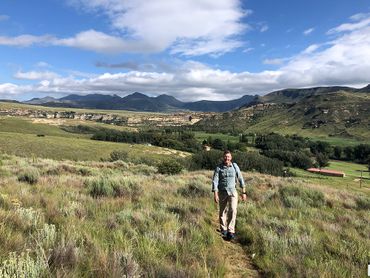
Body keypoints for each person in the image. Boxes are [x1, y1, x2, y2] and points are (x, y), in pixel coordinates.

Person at [212, 150, 247, 240]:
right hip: (222, 192)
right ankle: (223, 229)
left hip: (232, 192)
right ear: (223, 157)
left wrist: (243, 192)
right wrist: (215, 194)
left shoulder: (235, 166)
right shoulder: (218, 168)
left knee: (233, 210)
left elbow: (240, 178)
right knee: (222, 211)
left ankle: (231, 231)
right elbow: (215, 181)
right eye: (225, 156)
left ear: (231, 158)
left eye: (228, 156)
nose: (227, 158)